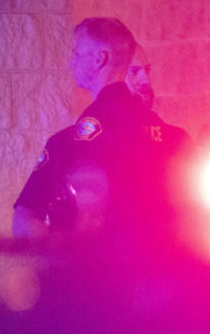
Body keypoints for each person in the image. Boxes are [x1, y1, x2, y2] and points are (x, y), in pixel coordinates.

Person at [13, 18, 184, 239]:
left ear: (98, 59)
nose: (71, 62)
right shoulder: (174, 139)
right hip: (164, 268)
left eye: (76, 54)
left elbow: (26, 215)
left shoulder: (68, 142)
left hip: (95, 269)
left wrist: (56, 264)